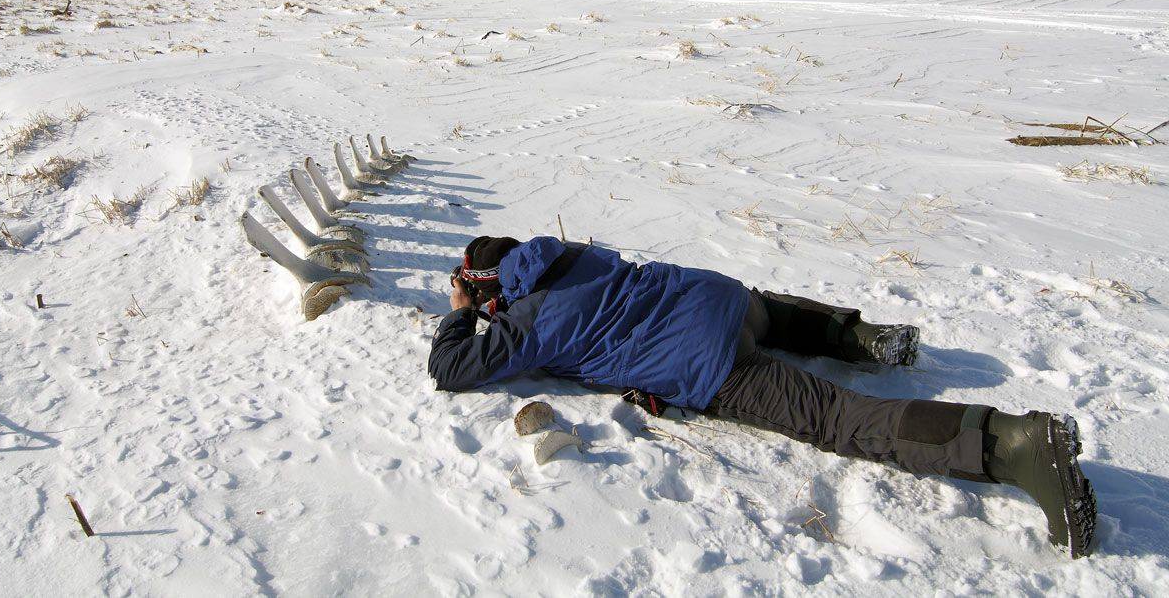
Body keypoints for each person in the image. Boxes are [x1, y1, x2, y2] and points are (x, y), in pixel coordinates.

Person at [428, 235, 1097, 558]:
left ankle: (1013, 447)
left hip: (710, 361)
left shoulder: (526, 323)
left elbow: (453, 368)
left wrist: (462, 312)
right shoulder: (574, 252)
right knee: (773, 316)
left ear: (490, 289)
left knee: (837, 418)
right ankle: (860, 336)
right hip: (720, 296)